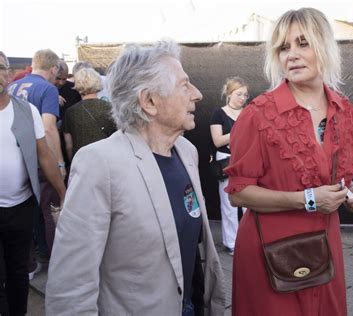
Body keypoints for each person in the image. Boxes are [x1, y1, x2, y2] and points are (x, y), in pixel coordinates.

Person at [46, 41, 225, 315]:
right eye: (184, 85)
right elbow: (70, 290)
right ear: (149, 101)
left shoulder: (187, 152)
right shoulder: (99, 164)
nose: (198, 94)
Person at [224, 8, 353, 315]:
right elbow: (238, 193)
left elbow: (335, 177)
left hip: (325, 247)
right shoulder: (258, 115)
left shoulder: (345, 111)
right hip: (271, 252)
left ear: (324, 47)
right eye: (284, 48)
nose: (292, 55)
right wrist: (309, 200)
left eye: (303, 43)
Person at [0, 51, 66, 316]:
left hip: (21, 206)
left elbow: (45, 155)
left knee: (18, 271)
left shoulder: (27, 110)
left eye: (1, 67)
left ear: (8, 72)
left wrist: (63, 192)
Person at [209, 76, 249, 255]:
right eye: (239, 94)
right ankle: (231, 243)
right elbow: (217, 140)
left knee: (249, 202)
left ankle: (250, 239)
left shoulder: (248, 112)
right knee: (229, 204)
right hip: (227, 161)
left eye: (245, 95)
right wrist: (239, 132)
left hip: (246, 160)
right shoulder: (219, 113)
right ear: (229, 93)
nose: (242, 98)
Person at [62, 67, 116, 161]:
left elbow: (69, 146)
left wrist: (72, 162)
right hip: (107, 159)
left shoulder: (70, 112)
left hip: (81, 161)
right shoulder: (111, 108)